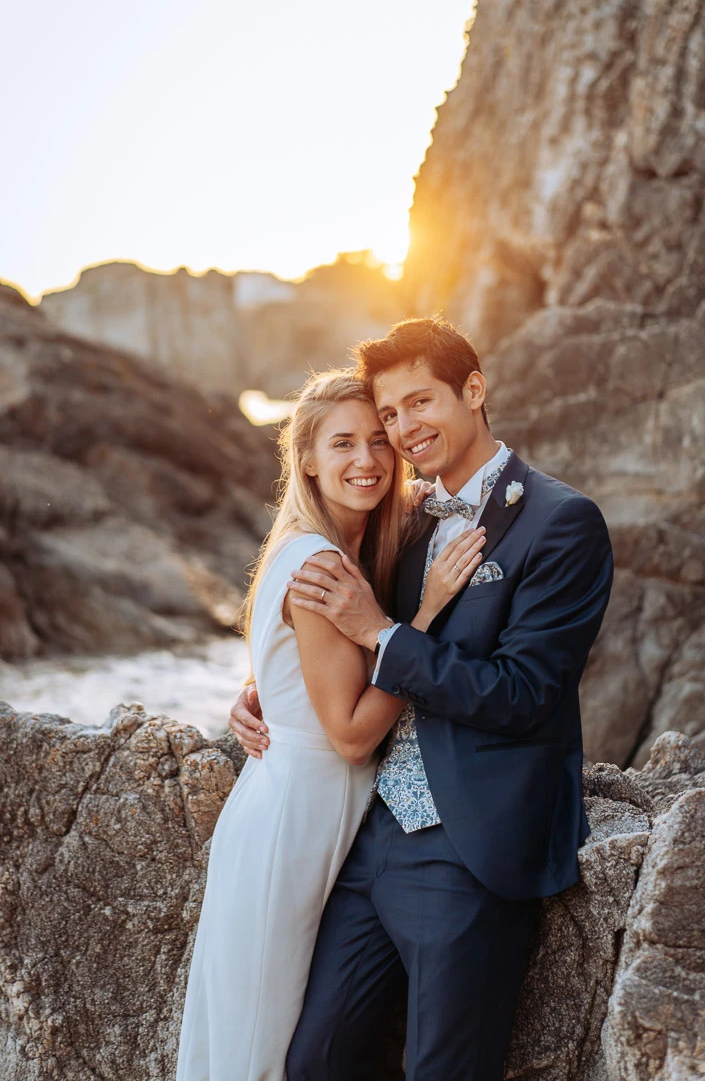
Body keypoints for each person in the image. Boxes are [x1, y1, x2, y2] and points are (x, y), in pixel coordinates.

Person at [229, 317, 615, 1081]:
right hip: (367, 837)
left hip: (467, 847)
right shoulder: (403, 520)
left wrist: (385, 635)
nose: (404, 430)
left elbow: (524, 694)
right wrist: (269, 689)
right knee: (313, 1062)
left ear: (473, 390)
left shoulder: (561, 523)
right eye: (390, 414)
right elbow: (336, 636)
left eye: (419, 403)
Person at [176, 369, 485, 1081]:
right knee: (256, 1050)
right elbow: (350, 735)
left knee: (263, 1039)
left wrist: (260, 690)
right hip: (291, 828)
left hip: (305, 813)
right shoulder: (318, 562)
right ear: (307, 460)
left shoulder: (334, 545)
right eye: (342, 443)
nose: (367, 459)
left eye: (379, 440)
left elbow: (301, 670)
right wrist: (425, 615)